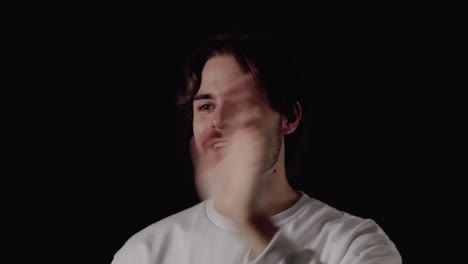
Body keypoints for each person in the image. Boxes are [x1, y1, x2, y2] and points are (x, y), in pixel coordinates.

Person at [111, 32, 402, 264]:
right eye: (206, 106)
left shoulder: (356, 245)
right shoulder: (143, 253)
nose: (217, 121)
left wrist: (253, 224)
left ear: (288, 117)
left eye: (241, 104)